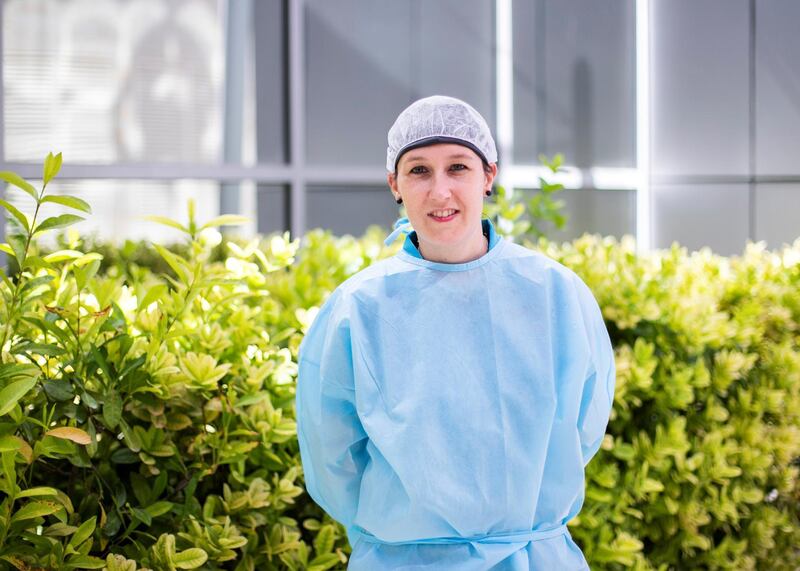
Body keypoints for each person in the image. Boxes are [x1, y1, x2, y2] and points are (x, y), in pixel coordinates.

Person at [295, 95, 616, 570]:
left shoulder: (555, 295)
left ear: (489, 176)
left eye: (458, 168)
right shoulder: (357, 308)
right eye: (419, 170)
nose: (440, 191)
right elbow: (330, 455)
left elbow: (583, 428)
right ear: (395, 185)